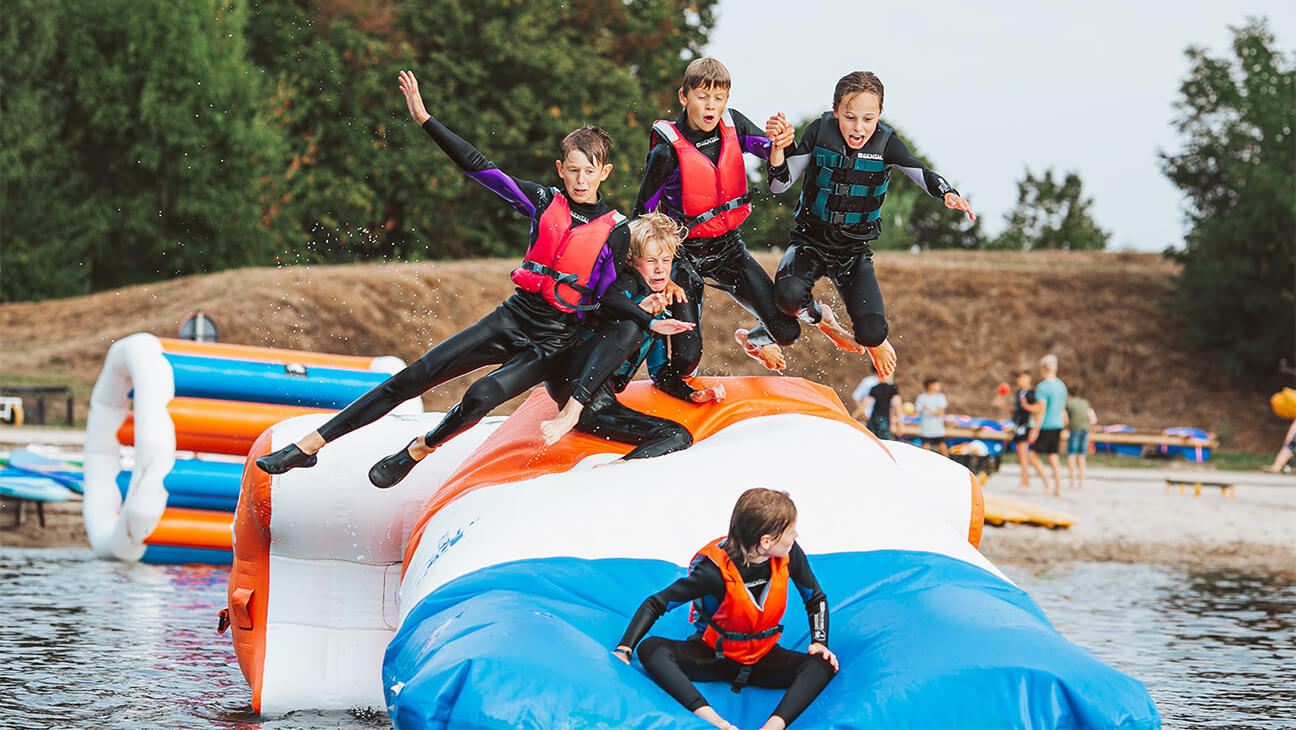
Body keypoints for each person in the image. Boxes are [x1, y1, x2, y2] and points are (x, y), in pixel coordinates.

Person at [256, 70, 644, 488]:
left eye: (589, 172)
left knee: (481, 396)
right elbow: (479, 167)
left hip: (552, 341)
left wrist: (645, 318)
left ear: (604, 172)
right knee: (414, 376)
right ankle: (309, 446)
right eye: (572, 171)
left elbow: (607, 300)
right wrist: (425, 119)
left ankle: (420, 448)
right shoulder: (542, 201)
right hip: (514, 317)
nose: (580, 181)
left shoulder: (617, 230)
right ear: (560, 170)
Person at [757, 72, 975, 380]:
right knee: (789, 296)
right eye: (850, 117)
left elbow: (921, 172)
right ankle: (824, 321)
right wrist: (777, 148)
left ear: (879, 116)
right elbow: (780, 186)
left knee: (872, 333)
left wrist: (947, 193)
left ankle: (872, 339)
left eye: (868, 119)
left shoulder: (887, 143)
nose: (859, 128)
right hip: (809, 242)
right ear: (836, 112)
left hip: (853, 251)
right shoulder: (819, 132)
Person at [613, 488, 836, 730]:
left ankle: (772, 727)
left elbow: (816, 599)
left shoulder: (790, 554)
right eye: (790, 531)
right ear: (766, 542)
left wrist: (820, 642)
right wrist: (625, 648)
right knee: (651, 648)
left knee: (822, 664)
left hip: (764, 656)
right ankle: (717, 723)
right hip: (714, 656)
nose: (795, 535)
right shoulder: (713, 572)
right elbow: (657, 602)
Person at [636, 57, 802, 375]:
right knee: (686, 359)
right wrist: (661, 275)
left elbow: (778, 158)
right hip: (682, 256)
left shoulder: (734, 125)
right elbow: (641, 217)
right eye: (702, 96)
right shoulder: (666, 152)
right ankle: (666, 374)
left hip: (729, 249)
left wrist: (783, 140)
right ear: (684, 97)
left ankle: (754, 339)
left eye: (719, 97)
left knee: (787, 332)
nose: (711, 106)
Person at [538, 213, 726, 460]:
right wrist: (644, 314)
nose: (660, 270)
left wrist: (689, 394)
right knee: (632, 327)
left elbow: (660, 371)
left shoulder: (657, 305)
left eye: (666, 260)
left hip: (599, 401)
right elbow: (611, 300)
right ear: (631, 259)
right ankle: (572, 410)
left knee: (678, 435)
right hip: (571, 379)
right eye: (650, 260)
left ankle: (619, 467)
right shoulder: (620, 283)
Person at [993, 371, 1051, 490]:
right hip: (1018, 425)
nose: (1019, 380)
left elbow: (1038, 409)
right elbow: (1016, 412)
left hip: (1026, 425)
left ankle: (1026, 479)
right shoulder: (1019, 393)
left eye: (1022, 378)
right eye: (1019, 378)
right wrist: (1004, 405)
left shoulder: (1032, 394)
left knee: (1024, 452)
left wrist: (1033, 425)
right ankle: (1025, 479)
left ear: (1029, 379)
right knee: (1021, 454)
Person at [1024, 354, 1067, 497]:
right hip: (1058, 424)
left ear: (1043, 369)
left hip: (1046, 425)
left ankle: (1048, 484)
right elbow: (1062, 408)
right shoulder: (1062, 385)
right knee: (1052, 456)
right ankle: (1059, 488)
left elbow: (1040, 410)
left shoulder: (1042, 387)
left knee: (1032, 455)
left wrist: (1035, 429)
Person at [1063, 385, 1097, 490]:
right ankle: (1081, 483)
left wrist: (1066, 426)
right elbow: (1093, 419)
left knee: (1071, 455)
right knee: (1082, 456)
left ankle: (1072, 482)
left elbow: (1064, 417)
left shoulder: (1068, 403)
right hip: (1085, 430)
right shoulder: (1085, 403)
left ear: (1068, 394)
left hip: (1075, 430)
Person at [914, 378, 948, 456]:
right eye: (937, 385)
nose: (939, 386)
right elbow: (916, 413)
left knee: (943, 449)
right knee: (925, 451)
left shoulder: (940, 397)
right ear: (930, 386)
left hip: (937, 429)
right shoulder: (921, 397)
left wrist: (928, 410)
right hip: (925, 429)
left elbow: (940, 412)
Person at [863, 375, 901, 440]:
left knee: (871, 439)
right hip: (884, 419)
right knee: (884, 441)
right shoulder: (892, 388)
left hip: (873, 418)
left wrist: (854, 416)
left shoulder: (874, 388)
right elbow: (897, 405)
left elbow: (866, 403)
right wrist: (900, 424)